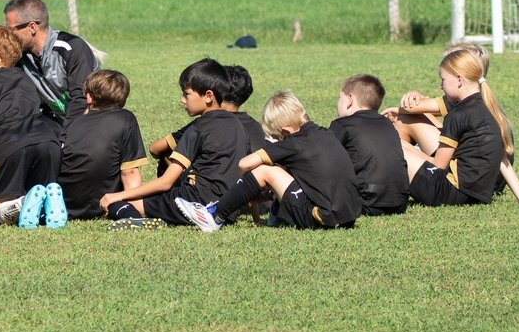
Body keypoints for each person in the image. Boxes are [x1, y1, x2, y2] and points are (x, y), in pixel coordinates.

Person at [100, 58, 257, 230]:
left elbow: (166, 182)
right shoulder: (239, 126)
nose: (182, 100)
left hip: (193, 203)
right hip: (227, 209)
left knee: (115, 203)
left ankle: (136, 220)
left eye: (186, 94)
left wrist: (119, 195)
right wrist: (255, 216)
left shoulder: (198, 128)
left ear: (208, 96)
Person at [386, 43, 519, 205]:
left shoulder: (457, 115)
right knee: (398, 145)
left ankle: (381, 193)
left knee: (389, 144)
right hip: (475, 196)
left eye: (443, 80)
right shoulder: (491, 109)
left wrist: (405, 148)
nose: (441, 85)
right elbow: (503, 160)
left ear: (459, 80)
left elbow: (438, 166)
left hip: (445, 193)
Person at [178, 91, 361, 232]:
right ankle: (277, 217)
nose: (278, 141)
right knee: (283, 168)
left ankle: (215, 215)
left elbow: (244, 164)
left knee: (265, 170)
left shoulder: (293, 143)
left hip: (321, 218)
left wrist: (245, 186)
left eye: (277, 137)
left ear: (286, 131)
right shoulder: (325, 133)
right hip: (348, 217)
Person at [0, 25, 65, 228]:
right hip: (48, 141)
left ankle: (21, 203)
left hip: (12, 144)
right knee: (38, 189)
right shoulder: (25, 77)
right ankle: (46, 205)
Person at [58, 69, 147, 220]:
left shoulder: (74, 124)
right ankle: (130, 216)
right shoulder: (125, 118)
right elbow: (130, 172)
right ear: (123, 100)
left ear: (88, 97)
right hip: (103, 204)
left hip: (65, 203)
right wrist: (136, 205)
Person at [3, 0, 97, 124]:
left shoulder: (71, 48)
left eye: (11, 30)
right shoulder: (21, 56)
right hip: (56, 122)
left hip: (89, 124)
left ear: (32, 27)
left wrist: (67, 134)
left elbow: (81, 100)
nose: (8, 35)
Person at [328, 74, 408, 216]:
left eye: (339, 98)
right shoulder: (388, 124)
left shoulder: (342, 124)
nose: (338, 103)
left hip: (367, 201)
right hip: (400, 202)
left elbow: (324, 158)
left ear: (350, 99)